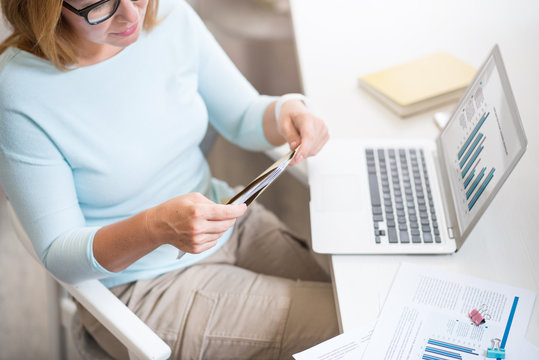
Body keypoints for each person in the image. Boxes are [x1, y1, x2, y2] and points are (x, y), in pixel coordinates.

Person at [0, 0, 338, 358]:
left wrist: (290, 111)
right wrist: (155, 226)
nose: (132, 16)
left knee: (360, 295)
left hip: (227, 221)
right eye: (100, 4)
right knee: (350, 323)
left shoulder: (169, 16)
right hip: (142, 286)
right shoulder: (21, 92)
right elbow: (58, 252)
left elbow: (242, 116)